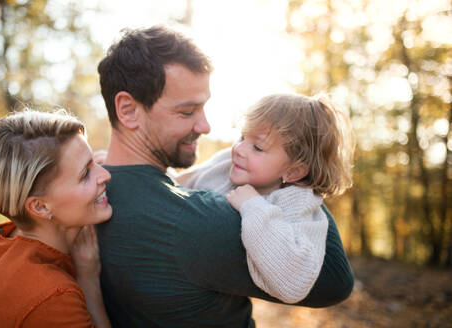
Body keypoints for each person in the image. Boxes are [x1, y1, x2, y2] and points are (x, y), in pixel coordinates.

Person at [96, 25, 354, 327]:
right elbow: (336, 281)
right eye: (187, 111)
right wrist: (300, 181)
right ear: (128, 110)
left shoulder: (89, 195)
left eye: (203, 107)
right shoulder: (203, 222)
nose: (205, 126)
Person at [175, 93, 353, 303]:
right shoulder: (227, 163)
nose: (239, 149)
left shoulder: (299, 203)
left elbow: (294, 281)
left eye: (258, 147)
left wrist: (253, 206)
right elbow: (177, 184)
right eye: (242, 137)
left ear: (294, 172)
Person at [0, 110, 112, 328]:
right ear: (40, 206)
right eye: (85, 174)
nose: (106, 175)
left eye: (94, 162)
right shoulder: (52, 296)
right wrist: (89, 281)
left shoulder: (6, 247)